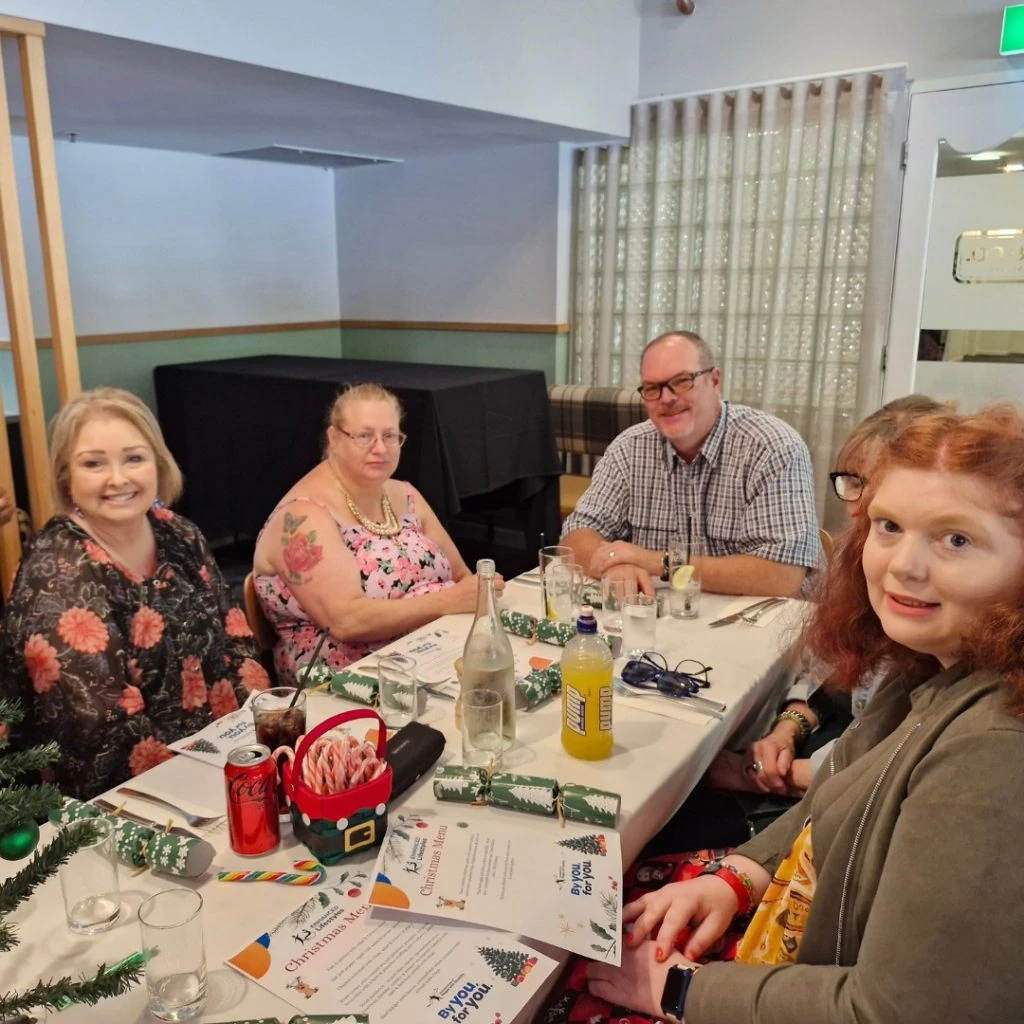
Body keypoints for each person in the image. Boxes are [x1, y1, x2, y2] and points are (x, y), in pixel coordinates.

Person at [549, 404, 1024, 1024]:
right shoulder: (929, 662)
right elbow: (828, 802)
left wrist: (680, 992)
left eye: (955, 538)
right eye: (888, 526)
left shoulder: (992, 750)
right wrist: (738, 875)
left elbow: (896, 1011)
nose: (903, 565)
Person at [0, 388, 268, 801]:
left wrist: (258, 741)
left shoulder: (178, 533)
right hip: (121, 802)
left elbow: (236, 642)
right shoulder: (56, 571)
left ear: (158, 465)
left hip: (221, 764)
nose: (118, 478)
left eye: (134, 458)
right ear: (66, 479)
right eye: (93, 464)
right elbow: (98, 735)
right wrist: (211, 781)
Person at [710, 394, 950, 804]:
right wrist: (789, 726)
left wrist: (754, 773)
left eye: (876, 488)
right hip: (831, 757)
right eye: (852, 483)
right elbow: (832, 672)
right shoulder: (853, 556)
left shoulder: (929, 589)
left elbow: (894, 758)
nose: (857, 509)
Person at [253, 383, 492, 683]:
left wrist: (468, 602)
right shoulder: (303, 516)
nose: (380, 448)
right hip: (346, 683)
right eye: (364, 436)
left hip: (429, 655)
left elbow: (462, 578)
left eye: (390, 436)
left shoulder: (404, 494)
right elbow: (347, 621)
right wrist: (448, 602)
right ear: (334, 438)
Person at [561, 331, 820, 598]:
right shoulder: (629, 448)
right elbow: (576, 535)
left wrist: (655, 561)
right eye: (652, 388)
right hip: (663, 622)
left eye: (682, 381)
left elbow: (781, 578)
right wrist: (615, 565)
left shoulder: (772, 447)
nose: (667, 398)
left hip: (760, 625)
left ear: (715, 381)